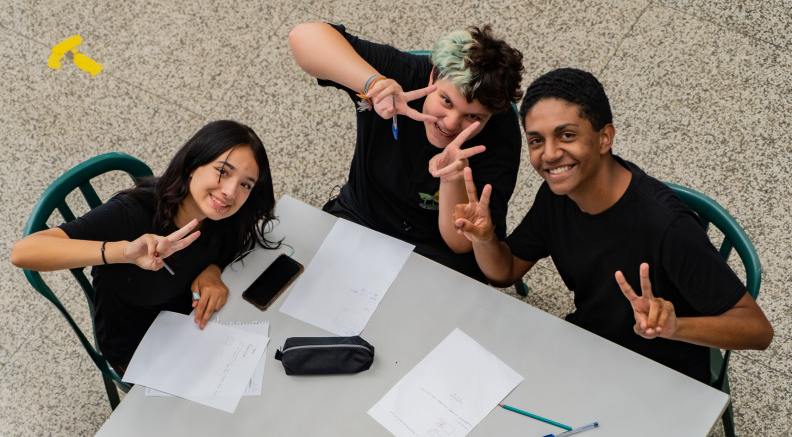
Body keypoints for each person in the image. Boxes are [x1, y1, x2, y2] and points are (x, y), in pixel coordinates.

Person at [454, 68, 773, 382]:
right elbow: (505, 271)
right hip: (592, 347)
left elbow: (758, 331)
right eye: (537, 140)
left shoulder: (667, 226)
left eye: (566, 135)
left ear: (604, 137)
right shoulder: (556, 196)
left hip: (663, 372)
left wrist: (675, 326)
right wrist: (484, 238)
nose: (549, 154)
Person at [11, 120, 280, 373]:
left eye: (245, 184)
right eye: (222, 172)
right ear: (192, 165)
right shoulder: (131, 214)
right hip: (138, 349)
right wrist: (121, 252)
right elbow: (24, 252)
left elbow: (226, 250)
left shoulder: (226, 217)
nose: (231, 192)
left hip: (194, 329)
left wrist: (213, 270)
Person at [289, 22, 524, 282]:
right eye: (446, 101)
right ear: (432, 76)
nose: (450, 123)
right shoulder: (405, 74)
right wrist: (373, 84)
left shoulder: (501, 137)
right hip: (362, 214)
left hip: (437, 250)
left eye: (472, 117)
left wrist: (452, 178)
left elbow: (460, 245)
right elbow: (303, 36)